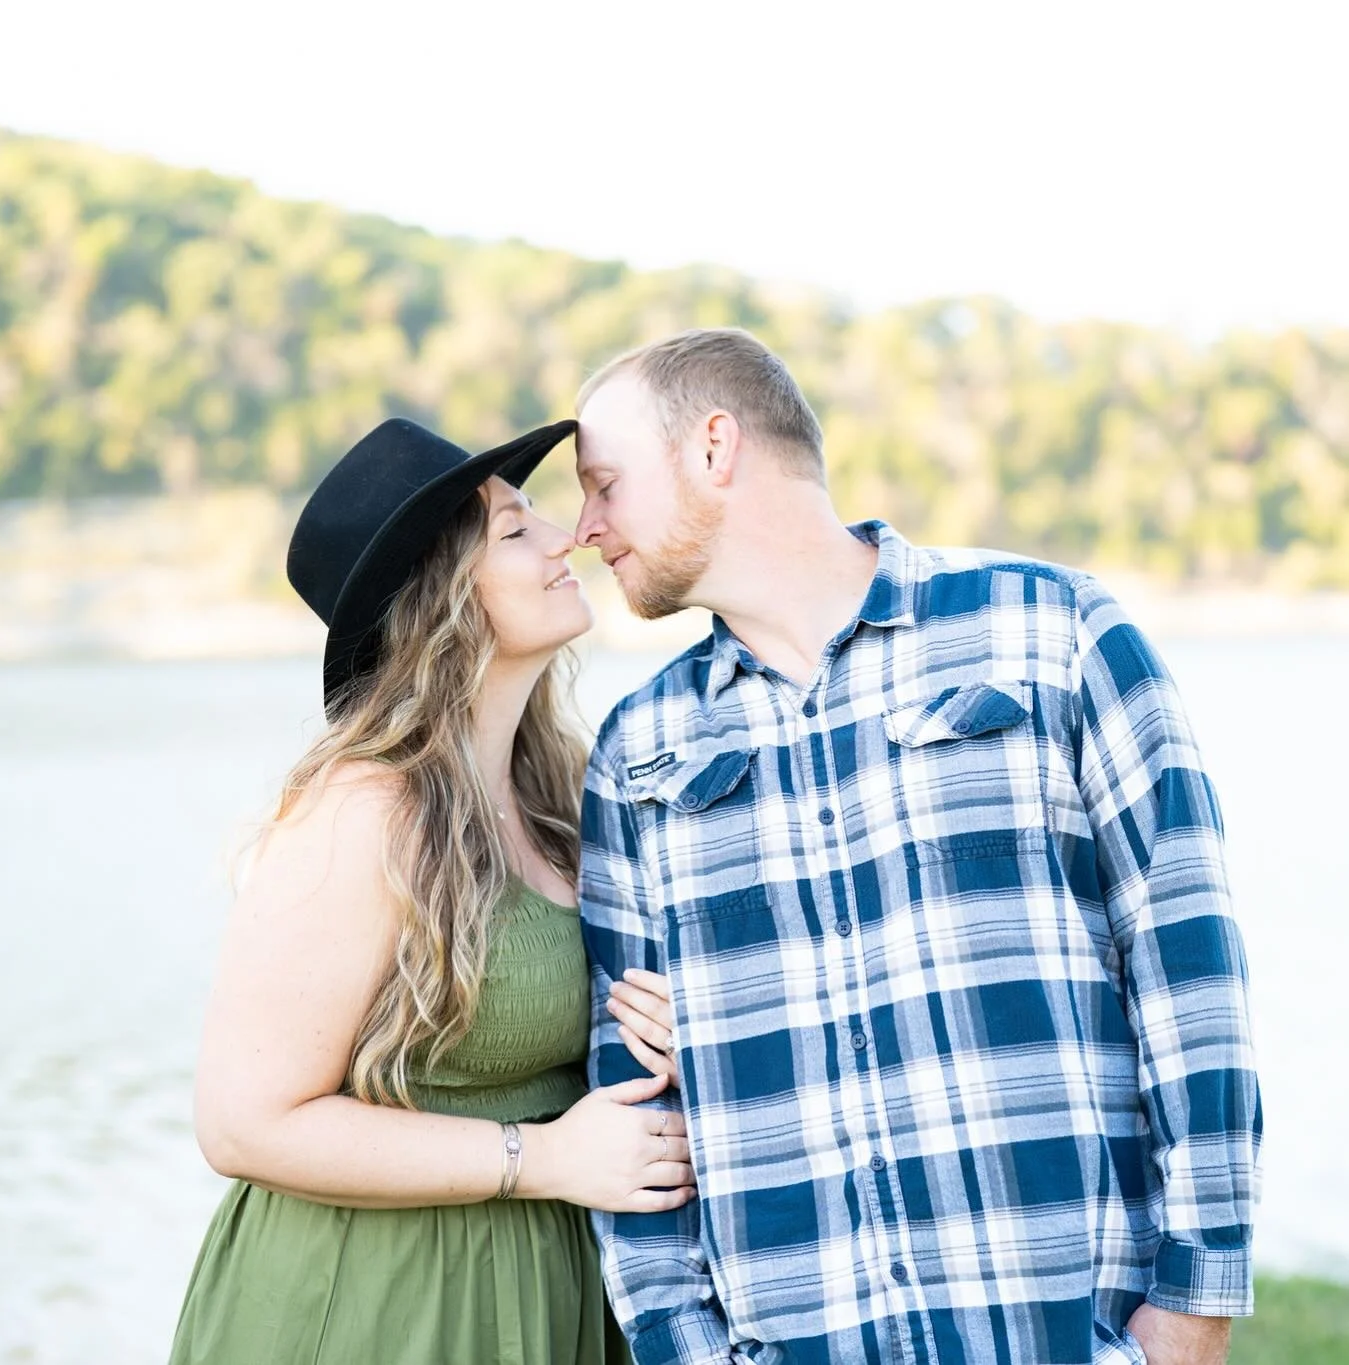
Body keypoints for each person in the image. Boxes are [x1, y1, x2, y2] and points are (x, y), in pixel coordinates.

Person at [571, 329, 1261, 1365]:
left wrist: (1188, 1319)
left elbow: (1190, 978)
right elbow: (637, 1115)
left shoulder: (1053, 633)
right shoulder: (640, 752)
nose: (583, 528)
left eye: (605, 484)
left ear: (715, 448)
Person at [168, 416, 692, 1365]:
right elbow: (242, 1122)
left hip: (541, 1288)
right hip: (376, 1302)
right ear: (441, 594)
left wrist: (657, 1017)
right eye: (513, 530)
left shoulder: (561, 791)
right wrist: (539, 1161)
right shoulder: (366, 809)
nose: (566, 536)